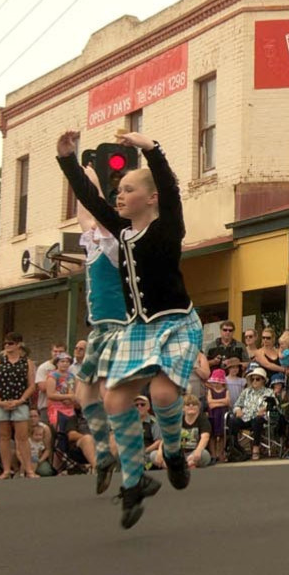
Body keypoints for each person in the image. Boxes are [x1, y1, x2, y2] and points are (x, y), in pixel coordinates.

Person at [59, 128, 206, 528]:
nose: (119, 197)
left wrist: (153, 150)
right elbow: (90, 201)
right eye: (117, 191)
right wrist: (68, 160)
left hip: (176, 323)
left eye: (127, 190)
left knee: (161, 393)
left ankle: (173, 454)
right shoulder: (121, 233)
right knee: (114, 402)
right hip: (138, 329)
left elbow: (171, 189)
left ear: (151, 197)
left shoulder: (168, 227)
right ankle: (135, 480)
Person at [0, 334, 38, 479]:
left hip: (20, 403)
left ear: (18, 345)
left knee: (22, 437)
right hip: (1, 403)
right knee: (4, 437)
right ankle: (6, 470)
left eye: (10, 343)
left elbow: (31, 386)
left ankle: (29, 469)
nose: (7, 346)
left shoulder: (27, 363)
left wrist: (21, 400)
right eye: (6, 343)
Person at [230, 366, 275, 460]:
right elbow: (237, 404)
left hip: (260, 418)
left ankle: (256, 448)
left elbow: (273, 405)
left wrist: (265, 409)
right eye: (252, 379)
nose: (254, 381)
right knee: (232, 420)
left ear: (263, 380)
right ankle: (235, 448)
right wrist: (238, 410)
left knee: (257, 420)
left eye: (257, 379)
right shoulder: (246, 391)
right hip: (245, 417)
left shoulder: (269, 392)